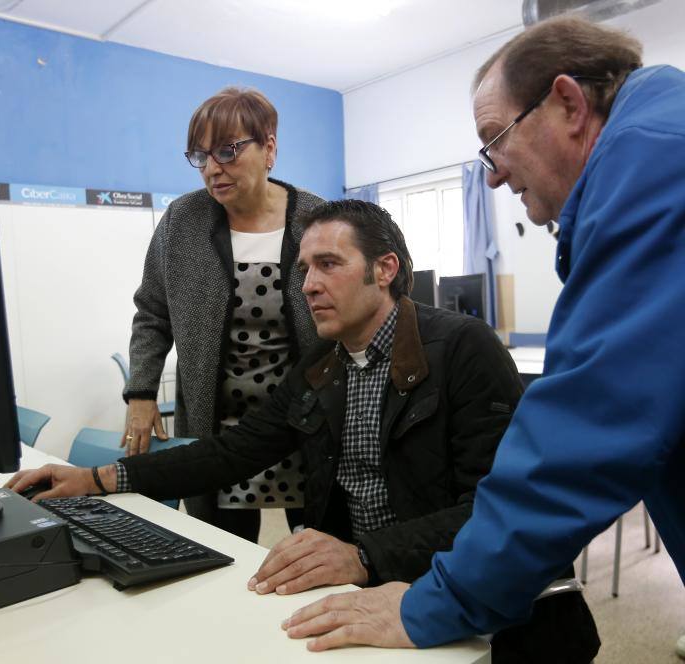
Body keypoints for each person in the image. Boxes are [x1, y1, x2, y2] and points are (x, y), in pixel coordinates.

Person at [9, 200, 599, 663]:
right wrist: (100, 476)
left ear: (385, 269)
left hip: (469, 597)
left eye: (329, 264)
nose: (309, 284)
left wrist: (364, 554)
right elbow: (233, 452)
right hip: (373, 591)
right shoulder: (324, 364)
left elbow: (494, 510)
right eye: (304, 270)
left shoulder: (464, 350)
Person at [281, 16, 685, 653]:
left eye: (494, 140)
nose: (492, 175)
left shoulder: (654, 164)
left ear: (569, 105)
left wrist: (440, 601)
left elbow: (581, 439)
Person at [122, 87, 323, 543]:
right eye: (202, 155)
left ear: (269, 147)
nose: (214, 169)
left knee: (321, 549)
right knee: (222, 552)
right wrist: (141, 392)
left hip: (305, 424)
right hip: (219, 431)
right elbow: (152, 312)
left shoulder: (317, 217)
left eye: (229, 151)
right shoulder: (183, 221)